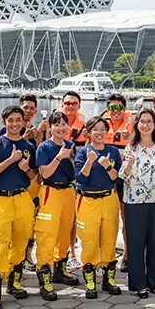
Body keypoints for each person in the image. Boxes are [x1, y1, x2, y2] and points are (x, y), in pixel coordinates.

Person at [0, 106, 37, 309]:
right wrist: (10, 161)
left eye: (18, 120)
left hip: (22, 198)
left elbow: (34, 176)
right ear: (4, 122)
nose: (15, 124)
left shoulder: (28, 146)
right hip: (1, 200)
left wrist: (26, 169)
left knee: (21, 240)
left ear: (24, 122)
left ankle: (14, 281)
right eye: (11, 120)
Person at [120, 108, 155, 298]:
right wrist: (129, 164)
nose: (146, 125)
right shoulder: (131, 147)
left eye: (149, 121)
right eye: (142, 121)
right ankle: (138, 284)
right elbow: (122, 176)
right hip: (134, 201)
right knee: (135, 243)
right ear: (137, 125)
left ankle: (154, 283)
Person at [74, 117, 123, 299]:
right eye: (95, 129)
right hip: (87, 201)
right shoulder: (82, 152)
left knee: (109, 238)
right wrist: (89, 162)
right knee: (89, 240)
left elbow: (115, 177)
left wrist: (107, 165)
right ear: (88, 132)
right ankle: (90, 280)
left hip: (109, 198)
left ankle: (109, 279)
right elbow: (80, 179)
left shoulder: (113, 152)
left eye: (103, 129)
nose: (100, 133)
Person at [35, 111, 79, 292]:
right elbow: (44, 173)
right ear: (50, 127)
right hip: (50, 191)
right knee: (47, 233)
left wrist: (71, 157)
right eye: (57, 124)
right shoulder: (44, 147)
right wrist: (59, 157)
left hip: (68, 191)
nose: (61, 128)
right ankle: (44, 271)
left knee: (64, 229)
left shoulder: (70, 145)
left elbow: (75, 171)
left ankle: (60, 267)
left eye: (63, 124)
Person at [0, 94, 42, 272]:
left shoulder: (38, 128)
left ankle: (27, 255)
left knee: (30, 220)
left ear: (35, 111)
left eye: (32, 108)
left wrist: (38, 136)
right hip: (13, 184)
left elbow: (39, 153)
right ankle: (9, 259)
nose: (28, 111)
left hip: (32, 181)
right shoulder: (9, 129)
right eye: (25, 107)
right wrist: (25, 135)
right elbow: (8, 148)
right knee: (11, 221)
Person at [102, 93, 133, 272]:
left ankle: (128, 255)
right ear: (108, 109)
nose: (116, 111)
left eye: (119, 107)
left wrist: (130, 136)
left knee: (125, 218)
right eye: (112, 108)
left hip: (125, 178)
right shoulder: (101, 126)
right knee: (106, 218)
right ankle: (106, 254)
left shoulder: (132, 125)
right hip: (106, 177)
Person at [58, 91, 87, 269]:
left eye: (74, 103)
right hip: (55, 177)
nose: (70, 105)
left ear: (79, 106)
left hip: (75, 178)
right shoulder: (53, 123)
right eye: (67, 102)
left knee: (73, 218)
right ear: (62, 104)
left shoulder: (85, 126)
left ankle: (72, 253)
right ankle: (57, 254)